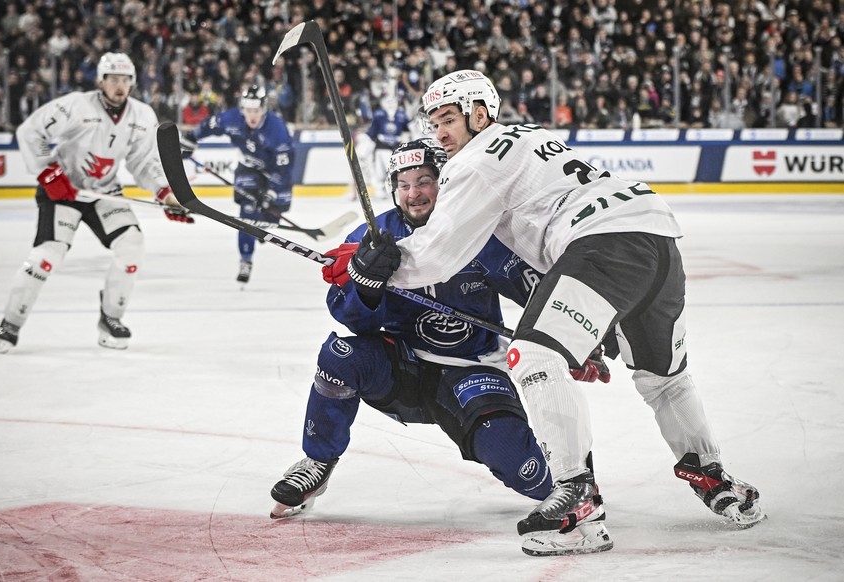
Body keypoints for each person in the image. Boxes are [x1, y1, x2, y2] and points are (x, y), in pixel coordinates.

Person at [343, 70, 765, 556]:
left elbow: (438, 255)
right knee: (664, 378)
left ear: (480, 114)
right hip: (654, 235)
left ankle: (577, 505)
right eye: (433, 123)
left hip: (603, 241)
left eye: (448, 119)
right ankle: (714, 478)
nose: (439, 133)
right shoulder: (528, 137)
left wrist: (373, 269)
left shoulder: (475, 160)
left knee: (532, 356)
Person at [269, 139, 612, 519]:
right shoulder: (374, 236)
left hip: (473, 370)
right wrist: (365, 290)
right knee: (340, 356)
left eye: (424, 181)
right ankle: (318, 461)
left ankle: (571, 476)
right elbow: (348, 317)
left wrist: (576, 343)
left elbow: (535, 290)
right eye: (404, 184)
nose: (413, 194)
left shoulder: (482, 230)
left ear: (444, 181)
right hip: (403, 367)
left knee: (528, 475)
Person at [0, 52, 193, 354]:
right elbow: (32, 131)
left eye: (125, 79)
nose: (119, 85)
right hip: (64, 192)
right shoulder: (76, 105)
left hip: (104, 193)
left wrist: (164, 193)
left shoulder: (142, 116)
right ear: (101, 80)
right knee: (47, 257)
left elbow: (144, 162)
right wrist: (49, 171)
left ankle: (111, 319)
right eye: (113, 79)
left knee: (132, 246)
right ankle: (11, 322)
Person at [180, 84, 294, 285]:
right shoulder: (232, 118)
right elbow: (209, 125)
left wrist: (271, 195)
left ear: (264, 109)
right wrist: (190, 139)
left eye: (256, 111)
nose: (252, 116)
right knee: (247, 213)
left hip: (274, 174)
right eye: (248, 110)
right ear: (242, 108)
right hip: (248, 168)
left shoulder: (277, 130)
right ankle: (246, 259)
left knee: (272, 215)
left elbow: (284, 168)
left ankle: (263, 225)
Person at [355, 95, 410, 199]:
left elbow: (407, 130)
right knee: (380, 170)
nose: (391, 105)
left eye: (393, 102)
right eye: (388, 102)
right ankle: (380, 188)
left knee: (396, 169)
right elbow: (372, 132)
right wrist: (366, 139)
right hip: (382, 145)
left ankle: (398, 188)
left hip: (396, 146)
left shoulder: (401, 114)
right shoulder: (378, 114)